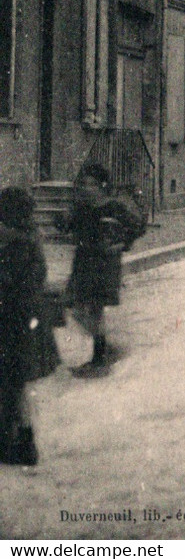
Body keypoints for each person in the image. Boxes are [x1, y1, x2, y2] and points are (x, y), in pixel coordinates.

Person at [61, 163, 146, 376]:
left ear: (101, 187)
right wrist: (64, 219)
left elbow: (138, 226)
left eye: (92, 184)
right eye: (84, 184)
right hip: (83, 263)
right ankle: (105, 348)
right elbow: (64, 226)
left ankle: (99, 358)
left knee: (95, 309)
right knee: (77, 309)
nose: (87, 188)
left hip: (104, 265)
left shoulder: (113, 207)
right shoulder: (81, 209)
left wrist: (123, 243)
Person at [0, 187, 60, 466]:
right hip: (29, 319)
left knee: (12, 383)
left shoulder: (10, 242)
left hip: (12, 321)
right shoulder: (31, 236)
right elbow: (39, 275)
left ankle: (19, 444)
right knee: (19, 384)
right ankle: (22, 440)